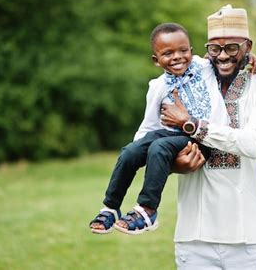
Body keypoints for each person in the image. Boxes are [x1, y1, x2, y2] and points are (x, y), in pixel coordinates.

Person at [162, 5, 256, 269]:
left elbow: (252, 144)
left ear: (247, 46)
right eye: (215, 49)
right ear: (206, 51)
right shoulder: (189, 83)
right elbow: (158, 137)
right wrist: (173, 165)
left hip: (248, 238)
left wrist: (193, 126)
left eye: (232, 48)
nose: (223, 56)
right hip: (194, 239)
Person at [89, 22, 232, 235]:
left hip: (203, 137)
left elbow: (228, 57)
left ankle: (148, 210)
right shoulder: (157, 87)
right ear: (156, 60)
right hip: (171, 135)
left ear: (192, 52)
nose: (177, 57)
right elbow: (149, 124)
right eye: (168, 53)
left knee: (160, 147)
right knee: (130, 151)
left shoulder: (205, 67)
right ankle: (111, 207)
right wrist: (138, 150)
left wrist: (251, 59)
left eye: (183, 50)